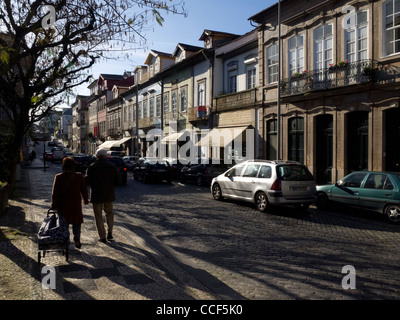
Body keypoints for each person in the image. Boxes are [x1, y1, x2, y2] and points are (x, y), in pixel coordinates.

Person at [51, 157, 89, 249]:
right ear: (73, 166)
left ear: (63, 166)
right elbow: (84, 190)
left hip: (63, 204)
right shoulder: (79, 176)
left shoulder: (59, 177)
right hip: (75, 203)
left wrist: (54, 205)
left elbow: (55, 192)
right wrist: (85, 199)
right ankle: (77, 238)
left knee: (64, 223)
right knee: (76, 222)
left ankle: (66, 239)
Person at [86, 148, 121, 243]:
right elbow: (119, 181)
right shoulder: (112, 166)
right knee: (109, 213)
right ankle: (110, 232)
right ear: (106, 156)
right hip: (109, 194)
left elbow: (87, 182)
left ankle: (102, 236)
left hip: (96, 195)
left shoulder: (92, 167)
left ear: (97, 156)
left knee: (98, 216)